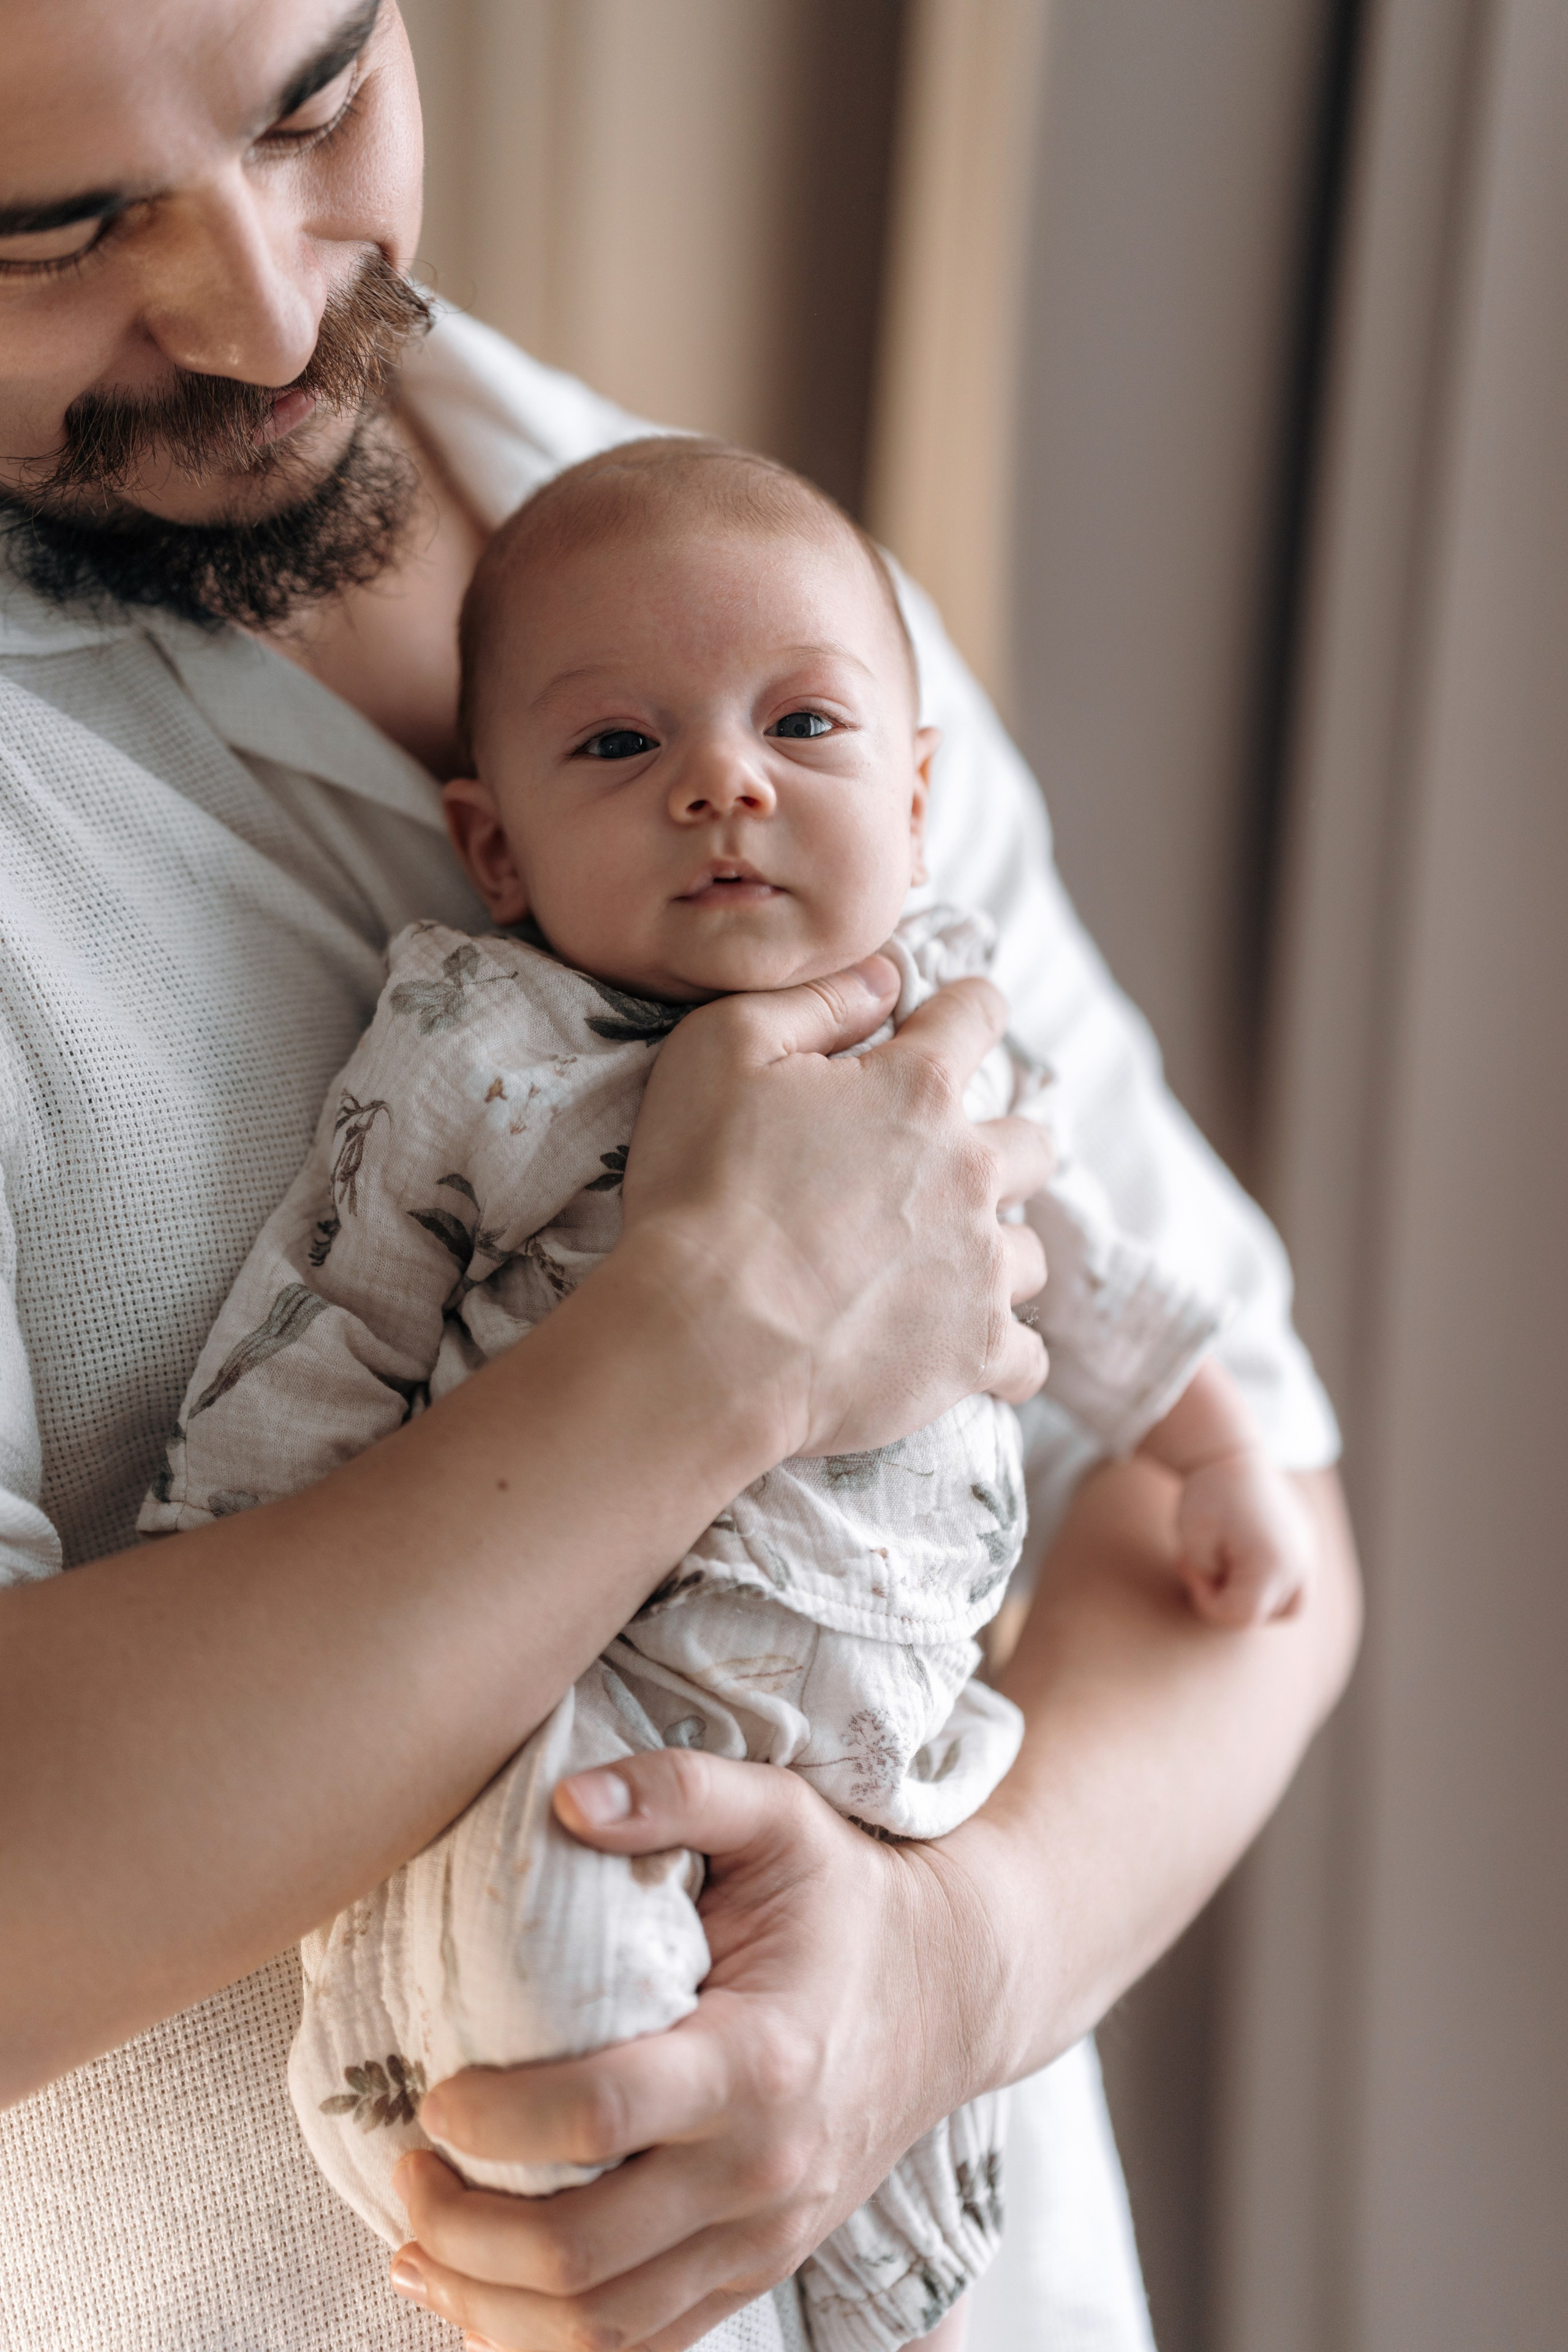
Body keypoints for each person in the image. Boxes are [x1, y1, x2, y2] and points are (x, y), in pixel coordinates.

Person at [0, 6, 1359, 2349]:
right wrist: (717, 1340)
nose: (270, 310)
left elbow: (1242, 1517)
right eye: (49, 232)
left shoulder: (705, 566)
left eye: (319, 103)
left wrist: (952, 1969)